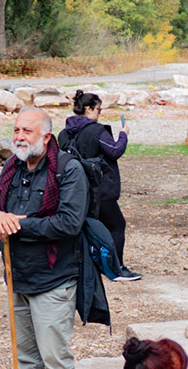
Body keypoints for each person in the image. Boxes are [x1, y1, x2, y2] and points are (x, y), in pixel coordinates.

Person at [0, 107, 88, 369]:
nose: (19, 137)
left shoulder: (68, 169)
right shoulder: (12, 167)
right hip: (17, 277)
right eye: (16, 130)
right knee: (26, 354)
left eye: (27, 131)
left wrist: (17, 225)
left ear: (46, 136)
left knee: (55, 356)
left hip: (54, 280)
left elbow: (69, 223)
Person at [58, 90, 140, 281]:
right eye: (98, 110)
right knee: (117, 225)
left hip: (75, 189)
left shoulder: (64, 133)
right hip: (99, 188)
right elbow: (115, 151)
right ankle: (117, 269)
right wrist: (123, 134)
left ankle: (86, 265)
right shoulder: (96, 131)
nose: (99, 114)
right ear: (89, 109)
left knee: (85, 226)